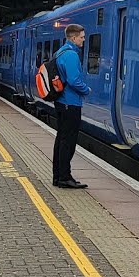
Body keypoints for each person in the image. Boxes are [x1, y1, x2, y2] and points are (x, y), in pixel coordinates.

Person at [53, 24, 91, 189]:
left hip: (61, 102)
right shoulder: (72, 55)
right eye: (82, 37)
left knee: (61, 140)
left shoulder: (60, 52)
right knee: (68, 141)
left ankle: (59, 176)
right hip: (71, 103)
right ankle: (64, 177)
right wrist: (86, 89)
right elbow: (74, 80)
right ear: (73, 38)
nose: (83, 39)